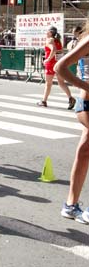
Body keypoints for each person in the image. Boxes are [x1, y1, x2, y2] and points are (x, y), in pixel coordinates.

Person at [54, 20, 89, 224]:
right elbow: (60, 67)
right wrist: (86, 86)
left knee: (84, 151)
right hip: (87, 103)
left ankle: (70, 205)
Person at [37, 26, 75, 109]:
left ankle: (44, 101)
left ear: (50, 33)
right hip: (58, 64)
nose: (46, 33)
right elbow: (59, 51)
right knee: (61, 83)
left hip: (51, 64)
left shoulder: (49, 40)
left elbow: (53, 50)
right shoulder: (58, 41)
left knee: (48, 83)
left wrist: (47, 59)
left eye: (47, 31)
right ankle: (70, 98)